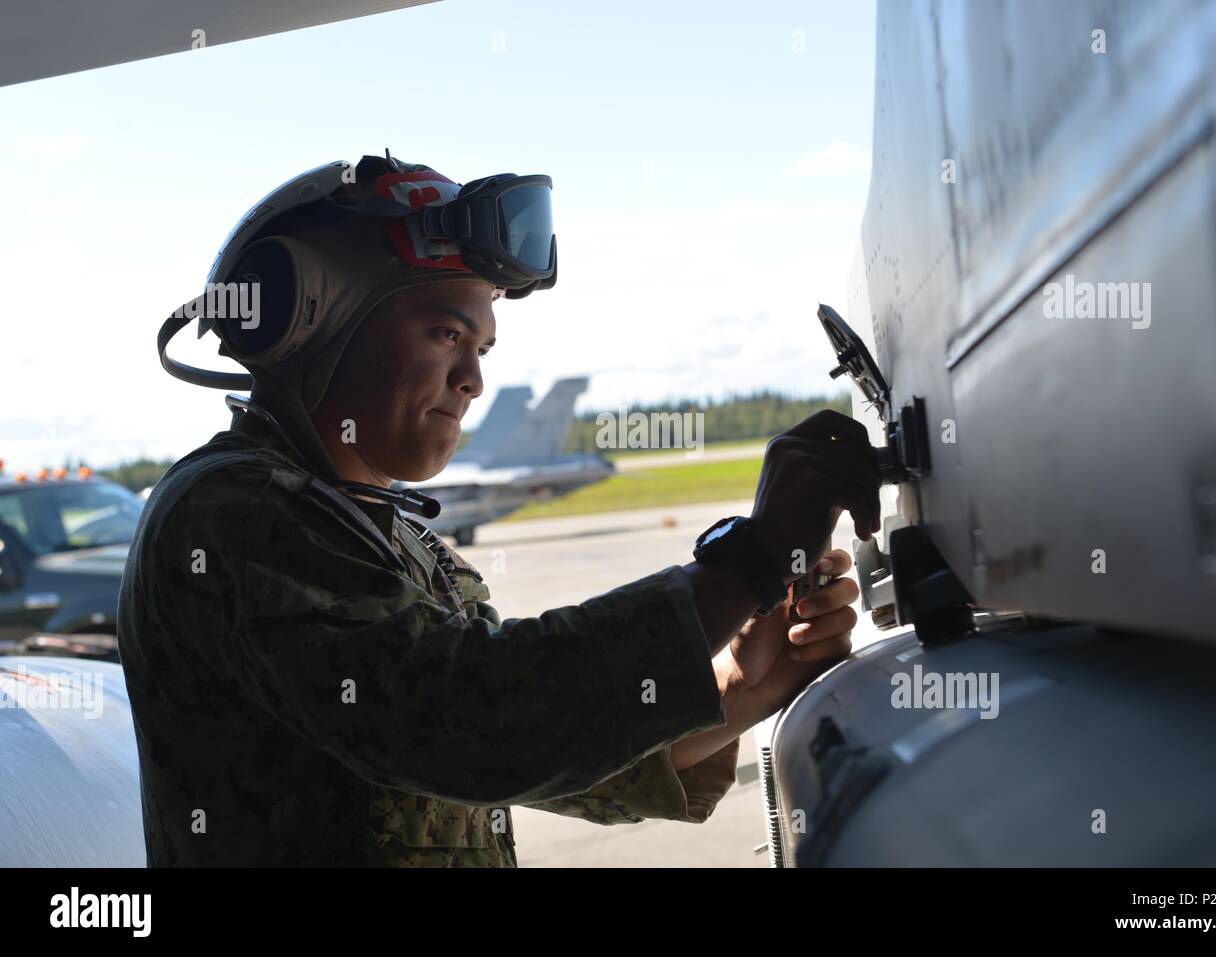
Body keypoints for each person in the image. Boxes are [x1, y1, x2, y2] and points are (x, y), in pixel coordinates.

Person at [118, 153, 881, 866]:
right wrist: (745, 563)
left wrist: (731, 690)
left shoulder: (395, 540)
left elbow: (529, 757)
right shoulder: (228, 513)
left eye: (482, 347)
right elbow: (467, 724)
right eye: (446, 333)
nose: (472, 380)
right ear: (306, 321)